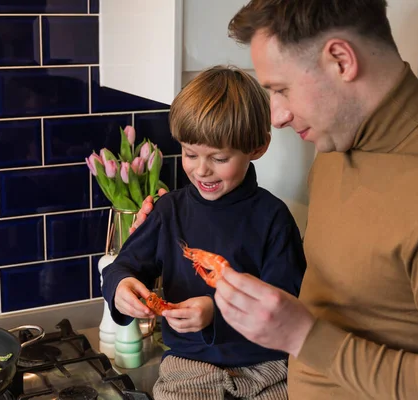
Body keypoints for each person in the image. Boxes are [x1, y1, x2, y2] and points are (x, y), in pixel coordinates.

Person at [132, 1, 418, 399]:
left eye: (282, 89)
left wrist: (305, 337)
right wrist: (179, 213)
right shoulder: (335, 145)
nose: (276, 116)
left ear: (341, 61)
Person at [102, 65, 306, 400]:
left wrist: (215, 313)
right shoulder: (169, 212)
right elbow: (122, 267)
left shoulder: (274, 218)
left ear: (257, 147)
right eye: (190, 153)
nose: (201, 169)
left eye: (219, 157)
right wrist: (121, 287)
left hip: (268, 367)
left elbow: (287, 308)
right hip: (189, 365)